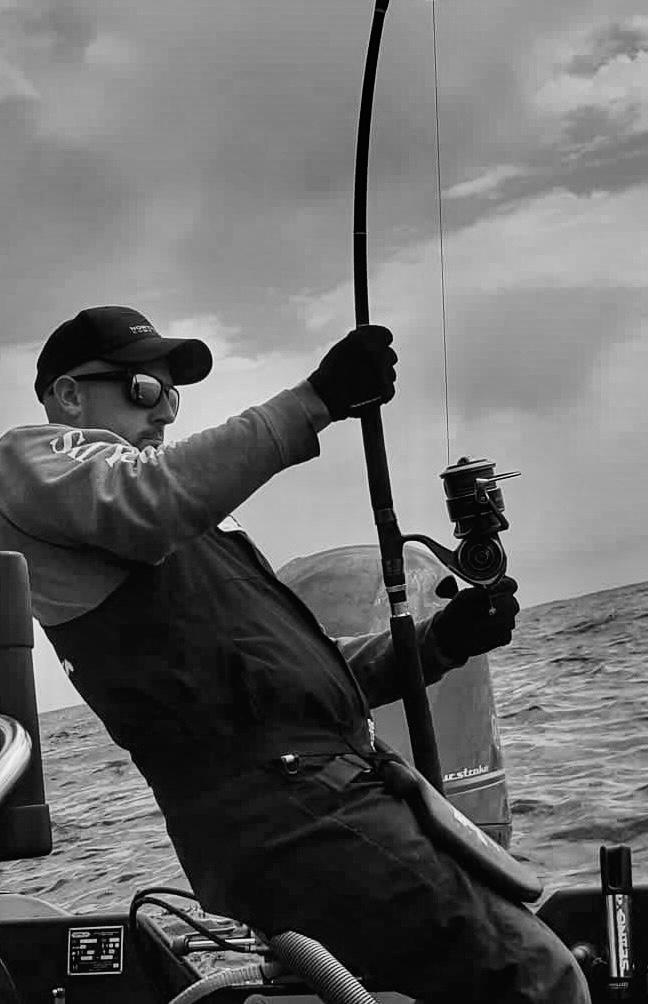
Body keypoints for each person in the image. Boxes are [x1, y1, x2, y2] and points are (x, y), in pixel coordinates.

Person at [0, 305, 588, 1003]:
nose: (164, 412)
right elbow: (151, 496)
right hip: (282, 807)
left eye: (173, 394)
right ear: (69, 395)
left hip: (331, 788)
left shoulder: (182, 524)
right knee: (535, 979)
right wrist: (316, 399)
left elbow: (297, 685)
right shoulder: (27, 463)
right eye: (144, 390)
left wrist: (442, 643)